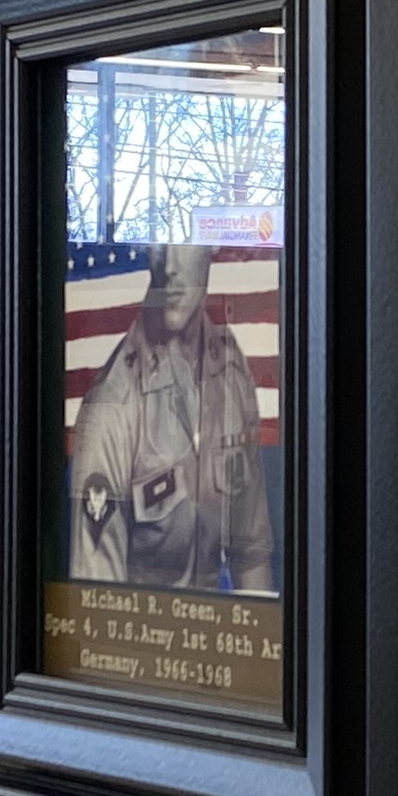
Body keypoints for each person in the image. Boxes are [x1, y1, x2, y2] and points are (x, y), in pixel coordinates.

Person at [65, 244, 276, 595]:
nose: (171, 267)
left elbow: (251, 557)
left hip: (219, 638)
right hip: (143, 641)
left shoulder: (231, 373)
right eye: (158, 245)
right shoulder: (112, 408)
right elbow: (98, 607)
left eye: (185, 244)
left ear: (211, 248)